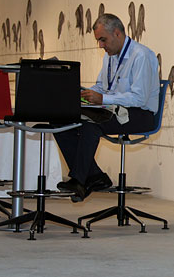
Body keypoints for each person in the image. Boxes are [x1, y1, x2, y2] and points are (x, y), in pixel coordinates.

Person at [55, 13, 159, 202]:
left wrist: (103, 98)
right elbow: (102, 86)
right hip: (115, 110)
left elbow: (139, 98)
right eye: (99, 41)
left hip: (140, 114)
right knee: (61, 121)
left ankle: (80, 179)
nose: (100, 45)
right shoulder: (109, 57)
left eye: (103, 40)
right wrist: (84, 94)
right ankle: (94, 176)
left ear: (117, 33)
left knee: (91, 124)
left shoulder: (141, 56)